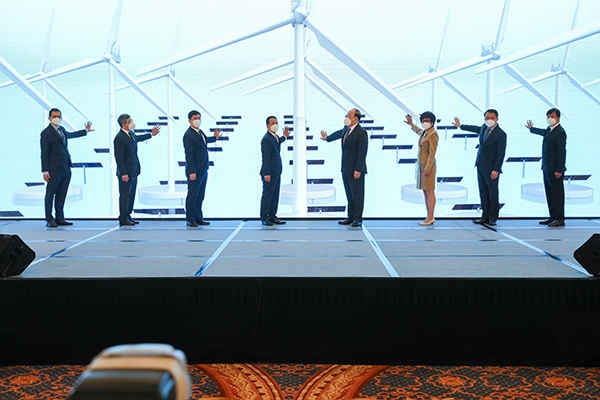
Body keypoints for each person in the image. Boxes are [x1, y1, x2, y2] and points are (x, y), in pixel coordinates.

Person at [40, 108, 93, 228]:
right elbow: (44, 152)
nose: (56, 118)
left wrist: (85, 131)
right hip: (53, 169)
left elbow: (70, 135)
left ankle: (60, 218)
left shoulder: (61, 129)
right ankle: (49, 219)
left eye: (58, 116)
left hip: (65, 167)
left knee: (62, 193)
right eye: (54, 116)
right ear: (49, 118)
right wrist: (45, 170)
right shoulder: (46, 133)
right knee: (50, 194)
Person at [453, 109, 506, 226]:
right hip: (480, 165)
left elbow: (501, 154)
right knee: (483, 192)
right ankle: (485, 216)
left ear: (497, 119)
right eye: (487, 117)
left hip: (492, 168)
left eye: (492, 118)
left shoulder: (501, 134)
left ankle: (493, 217)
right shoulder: (483, 128)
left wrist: (496, 169)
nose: (489, 120)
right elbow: (474, 128)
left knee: (492, 192)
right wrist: (460, 126)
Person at [321, 108, 368, 227]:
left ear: (356, 118)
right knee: (349, 194)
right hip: (346, 168)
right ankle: (350, 217)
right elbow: (338, 134)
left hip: (356, 169)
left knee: (357, 195)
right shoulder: (346, 129)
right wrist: (327, 138)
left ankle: (358, 218)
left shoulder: (361, 132)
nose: (346, 118)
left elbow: (362, 153)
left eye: (349, 116)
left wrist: (358, 169)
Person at [113, 114, 159, 227]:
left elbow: (138, 138)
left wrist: (150, 134)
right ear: (123, 124)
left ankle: (128, 215)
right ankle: (123, 217)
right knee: (125, 195)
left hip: (133, 171)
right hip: (126, 173)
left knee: (131, 195)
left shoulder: (131, 134)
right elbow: (119, 158)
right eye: (130, 121)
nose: (132, 122)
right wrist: (123, 173)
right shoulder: (119, 138)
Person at [526, 108, 566, 227]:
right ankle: (552, 216)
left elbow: (562, 153)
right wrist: (531, 129)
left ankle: (560, 218)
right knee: (550, 193)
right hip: (547, 167)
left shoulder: (560, 132)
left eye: (552, 116)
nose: (550, 119)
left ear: (558, 118)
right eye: (548, 116)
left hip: (555, 170)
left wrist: (559, 169)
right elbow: (542, 132)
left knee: (557, 194)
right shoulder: (550, 130)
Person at [183, 110, 221, 227]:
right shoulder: (188, 135)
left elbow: (204, 141)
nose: (197, 120)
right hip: (195, 170)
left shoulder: (199, 132)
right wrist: (192, 171)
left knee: (200, 195)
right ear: (190, 120)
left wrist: (214, 138)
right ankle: (190, 219)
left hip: (203, 169)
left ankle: (198, 217)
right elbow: (189, 155)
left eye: (199, 118)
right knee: (193, 195)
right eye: (195, 118)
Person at [404, 112, 439, 226]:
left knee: (430, 191)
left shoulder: (433, 134)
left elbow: (432, 153)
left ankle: (431, 216)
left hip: (428, 166)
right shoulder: (425, 132)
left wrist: (428, 167)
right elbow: (419, 131)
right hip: (422, 166)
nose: (425, 123)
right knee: (425, 191)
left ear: (432, 122)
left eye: (427, 120)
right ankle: (428, 216)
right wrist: (411, 124)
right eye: (423, 121)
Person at [260, 116, 290, 226]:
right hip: (270, 173)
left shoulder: (274, 137)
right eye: (272, 123)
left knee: (275, 195)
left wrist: (284, 137)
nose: (275, 125)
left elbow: (277, 143)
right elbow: (265, 157)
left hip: (276, 171)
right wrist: (266, 173)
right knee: (268, 195)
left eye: (276, 122)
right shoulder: (266, 139)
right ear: (268, 126)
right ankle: (265, 217)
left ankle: (272, 216)